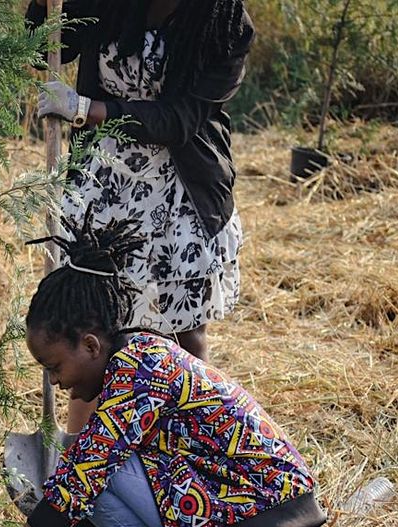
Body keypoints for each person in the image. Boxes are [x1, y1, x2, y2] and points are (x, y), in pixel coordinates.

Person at [0, 212, 324, 527]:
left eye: (55, 366)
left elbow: (80, 485)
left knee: (83, 468)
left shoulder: (139, 373)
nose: (57, 382)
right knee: (95, 467)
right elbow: (114, 487)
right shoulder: (144, 358)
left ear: (90, 345)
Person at [27, 0, 254, 438]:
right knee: (91, 332)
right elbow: (47, 47)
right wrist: (42, 4)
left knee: (184, 338)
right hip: (103, 190)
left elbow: (178, 119)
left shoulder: (223, 25)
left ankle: (194, 449)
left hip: (181, 196)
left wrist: (85, 108)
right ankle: (79, 461)